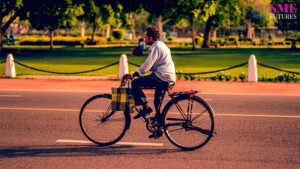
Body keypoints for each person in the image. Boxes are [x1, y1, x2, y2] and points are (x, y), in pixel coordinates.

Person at [122, 26, 176, 138]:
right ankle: (158, 128)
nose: (144, 39)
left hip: (162, 76)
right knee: (158, 101)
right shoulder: (161, 45)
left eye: (145, 37)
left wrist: (135, 74)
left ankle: (146, 108)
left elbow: (148, 64)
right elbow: (153, 65)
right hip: (168, 77)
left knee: (136, 83)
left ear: (150, 38)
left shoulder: (155, 47)